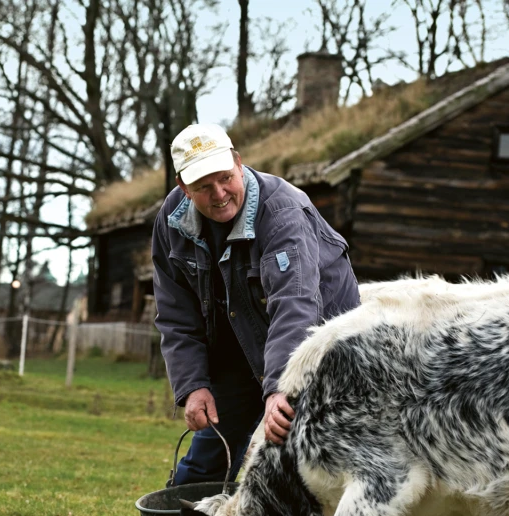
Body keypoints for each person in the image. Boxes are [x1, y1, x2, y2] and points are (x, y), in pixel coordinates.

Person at [152, 123, 360, 486]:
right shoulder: (172, 221)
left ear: (239, 162)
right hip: (239, 348)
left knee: (303, 471)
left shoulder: (281, 211)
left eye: (225, 178)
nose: (219, 194)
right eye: (203, 187)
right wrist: (193, 384)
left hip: (318, 352)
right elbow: (175, 312)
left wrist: (282, 386)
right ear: (183, 188)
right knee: (201, 467)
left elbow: (295, 303)